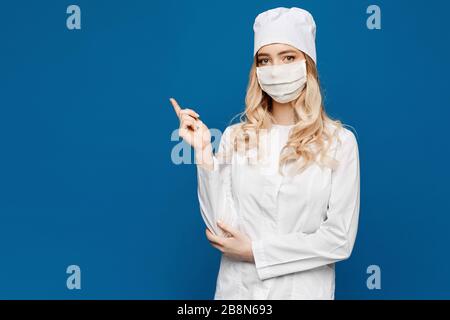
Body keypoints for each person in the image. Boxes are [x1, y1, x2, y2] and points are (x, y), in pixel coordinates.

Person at [170, 7, 360, 300]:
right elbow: (220, 230)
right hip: (239, 294)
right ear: (256, 70)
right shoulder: (235, 137)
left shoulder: (339, 142)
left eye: (288, 57)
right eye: (265, 60)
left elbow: (339, 240)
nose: (276, 68)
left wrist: (257, 253)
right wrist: (204, 153)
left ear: (307, 64)